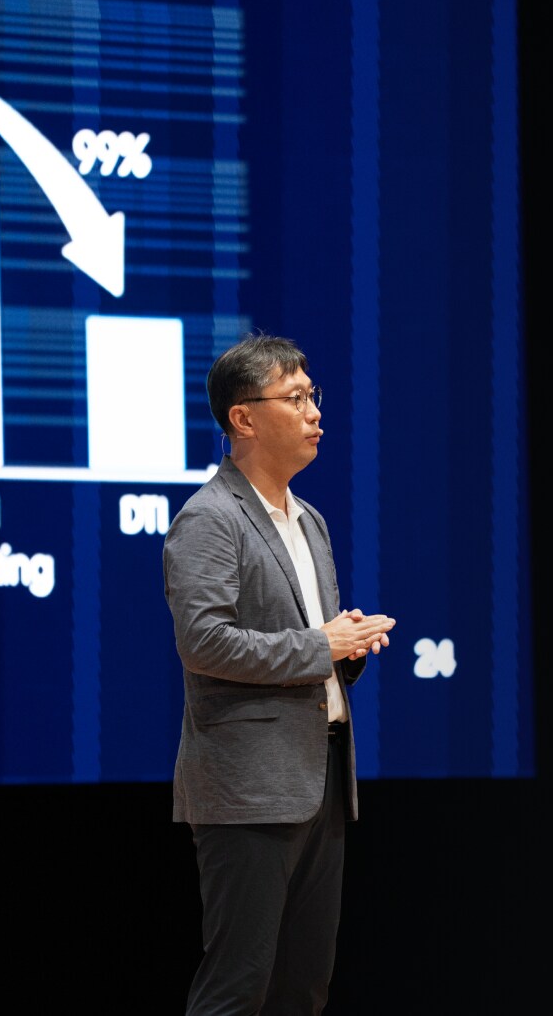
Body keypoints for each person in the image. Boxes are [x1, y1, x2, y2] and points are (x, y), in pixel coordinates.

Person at [163, 332, 396, 1015]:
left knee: (303, 988)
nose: (315, 412)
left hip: (319, 776)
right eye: (296, 398)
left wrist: (345, 649)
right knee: (238, 989)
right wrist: (319, 645)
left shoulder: (311, 522)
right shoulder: (210, 518)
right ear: (244, 418)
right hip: (248, 788)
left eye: (312, 396)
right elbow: (202, 641)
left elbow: (308, 645)